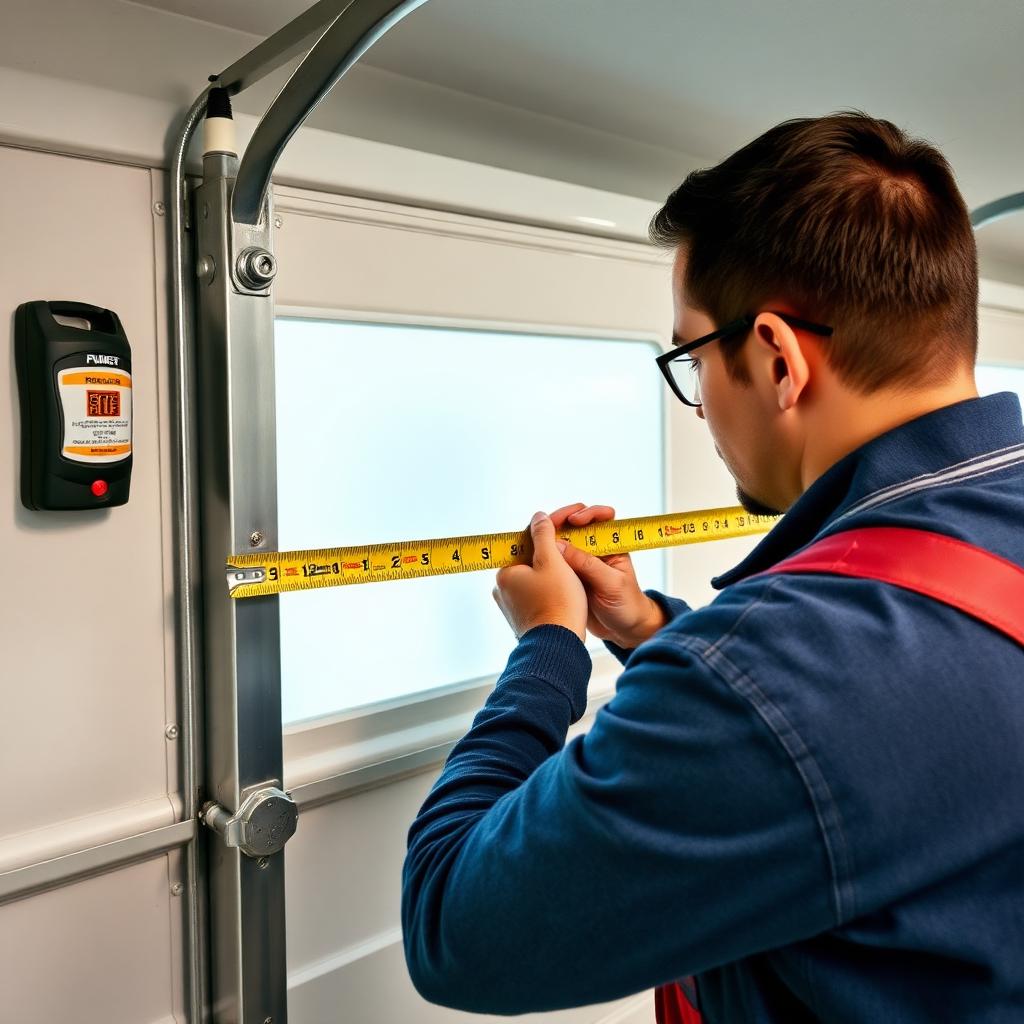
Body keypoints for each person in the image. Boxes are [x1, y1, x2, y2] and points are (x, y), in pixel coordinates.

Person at [400, 111, 1024, 1022]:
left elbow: (452, 929)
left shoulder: (771, 674)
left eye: (692, 357)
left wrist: (549, 647)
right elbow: (887, 713)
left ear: (776, 357)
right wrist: (655, 632)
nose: (697, 408)